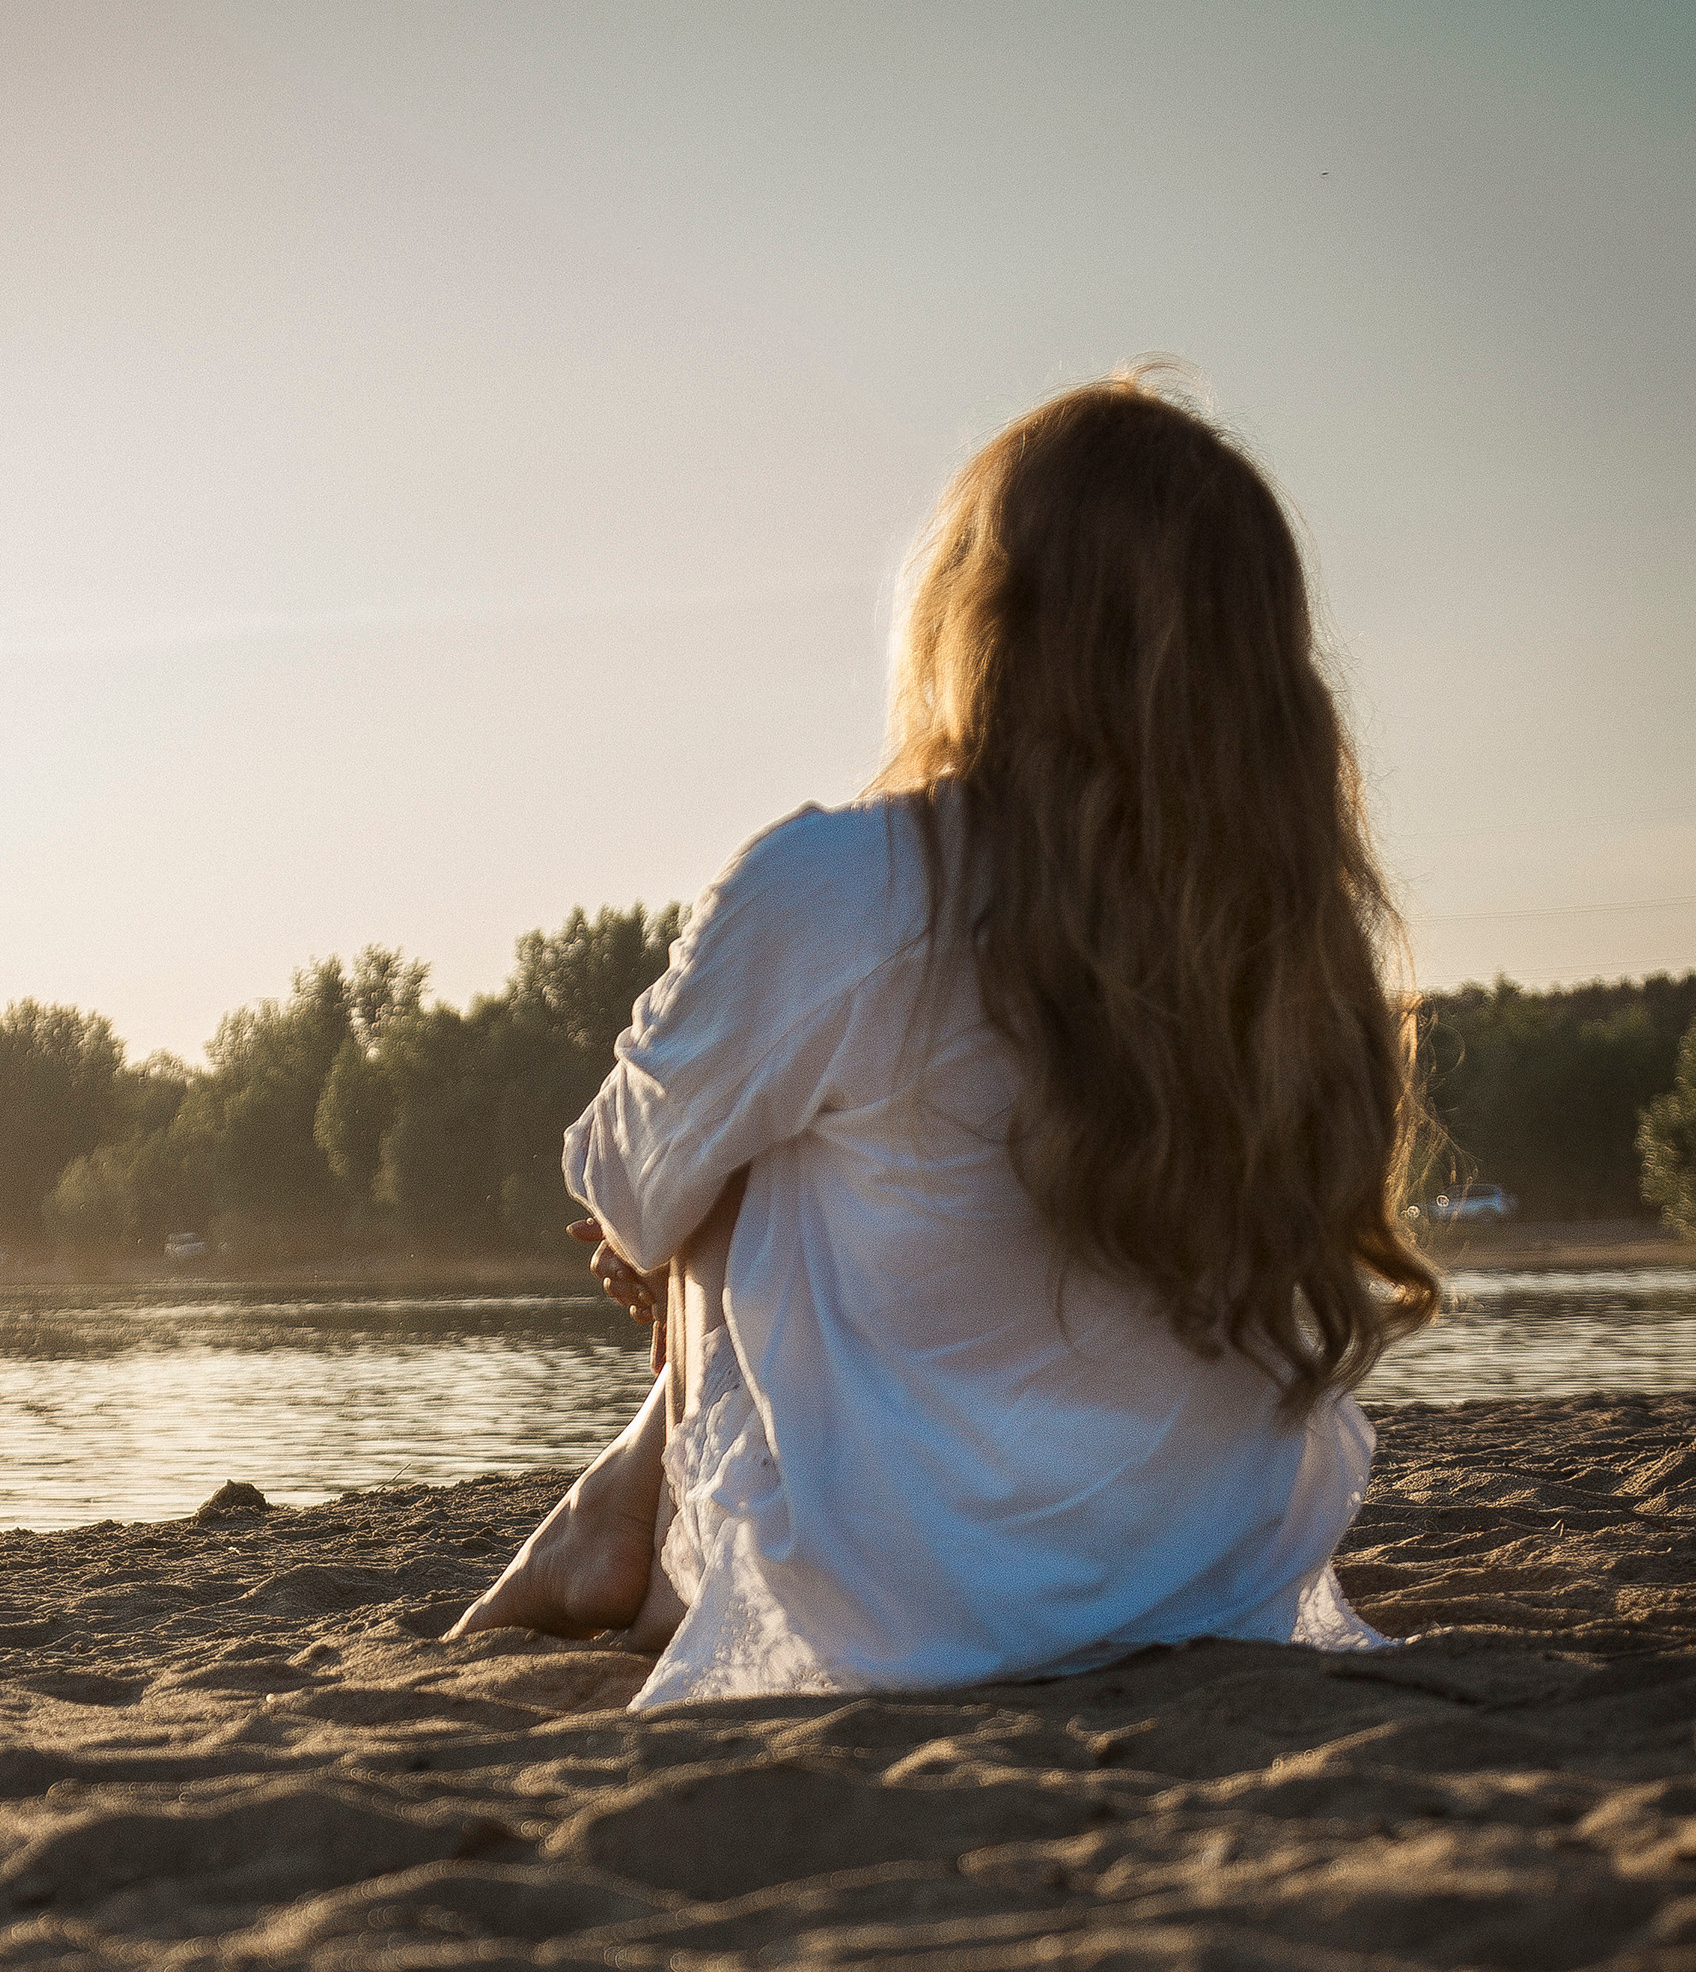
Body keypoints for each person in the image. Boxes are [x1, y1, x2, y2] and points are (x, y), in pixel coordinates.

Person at [453, 372, 1439, 1704]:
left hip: (900, 1617)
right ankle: (609, 1507)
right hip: (1212, 1587)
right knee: (779, 1101)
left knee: (741, 1129)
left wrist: (682, 1239)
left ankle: (611, 1523)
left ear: (982, 617)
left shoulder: (847, 886)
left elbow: (628, 1190)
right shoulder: (1292, 941)